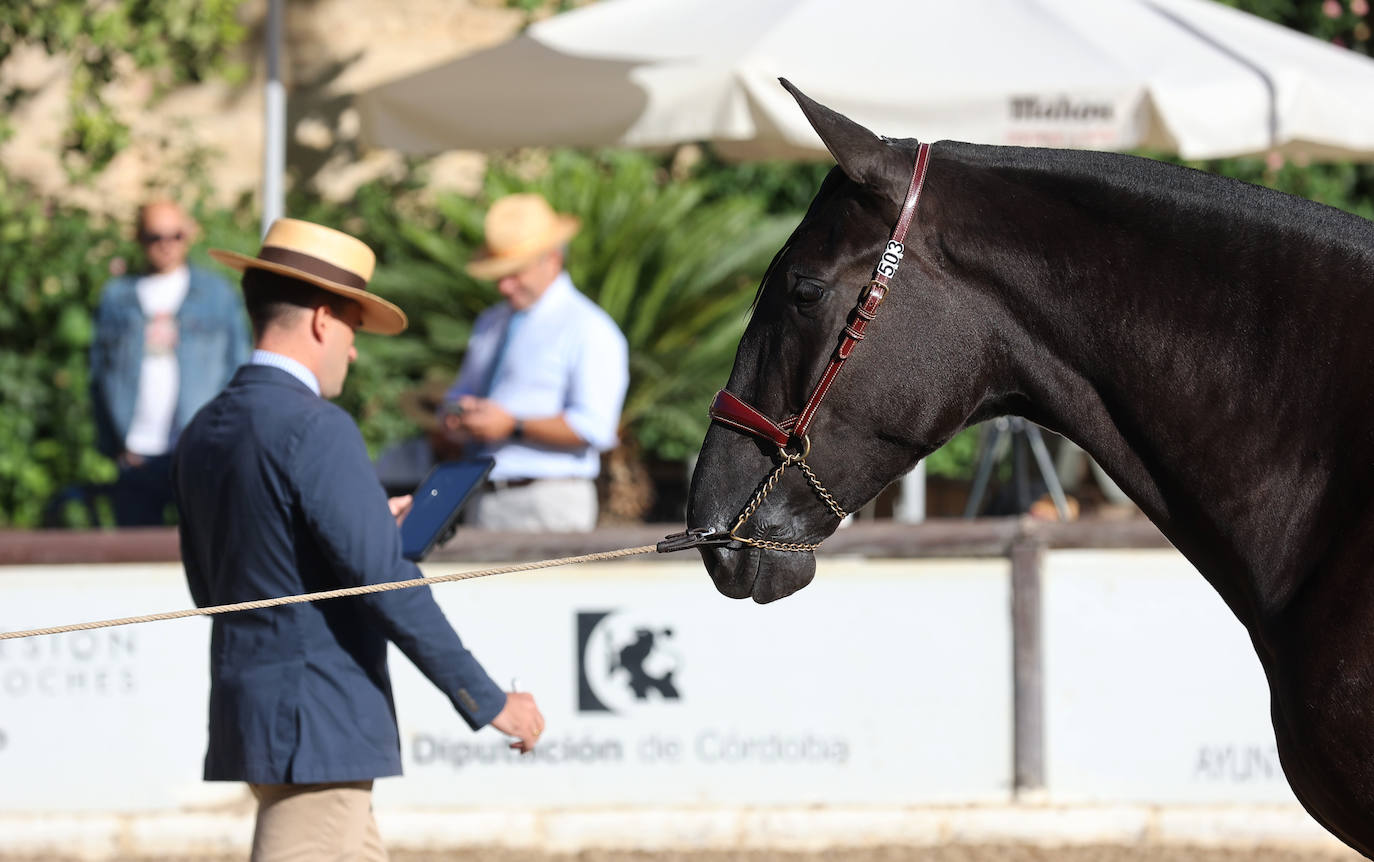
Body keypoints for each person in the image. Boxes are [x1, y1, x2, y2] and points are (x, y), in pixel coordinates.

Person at [173, 218, 544, 860]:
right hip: (319, 718)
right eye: (353, 329)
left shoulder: (206, 426)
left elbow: (215, 585)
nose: (353, 350)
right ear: (322, 320)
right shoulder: (318, 426)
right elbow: (389, 585)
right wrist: (488, 702)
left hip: (257, 712)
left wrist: (367, 528)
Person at [441, 193, 629, 532]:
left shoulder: (588, 328)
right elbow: (460, 393)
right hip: (482, 497)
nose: (504, 284)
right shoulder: (490, 322)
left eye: (515, 272)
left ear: (552, 260)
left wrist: (512, 424)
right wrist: (458, 415)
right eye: (499, 273)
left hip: (548, 501)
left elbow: (595, 427)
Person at [90, 199, 250, 526]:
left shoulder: (216, 294)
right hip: (136, 453)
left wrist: (224, 443)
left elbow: (238, 369)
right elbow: (99, 375)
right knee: (136, 564)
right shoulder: (116, 296)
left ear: (188, 235)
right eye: (154, 236)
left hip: (197, 451)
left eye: (174, 235)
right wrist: (114, 446)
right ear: (138, 237)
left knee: (206, 559)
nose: (165, 245)